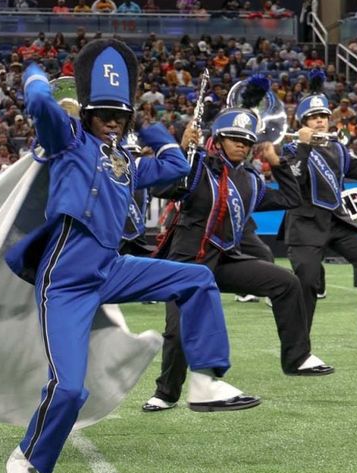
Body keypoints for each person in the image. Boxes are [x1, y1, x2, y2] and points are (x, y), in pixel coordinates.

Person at [1, 40, 258, 473]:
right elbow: (40, 100)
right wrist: (35, 70)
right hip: (64, 283)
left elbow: (176, 167)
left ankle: (204, 379)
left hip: (109, 268)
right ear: (87, 113)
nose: (113, 122)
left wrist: (155, 128)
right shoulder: (67, 142)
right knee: (68, 390)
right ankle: (28, 455)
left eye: (121, 115)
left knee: (197, 278)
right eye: (104, 113)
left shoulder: (125, 162)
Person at [142, 107, 334, 413]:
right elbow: (161, 188)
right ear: (218, 140)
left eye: (246, 141)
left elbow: (290, 199)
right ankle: (166, 393)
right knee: (179, 331)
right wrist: (180, 150)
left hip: (224, 260)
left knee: (285, 282)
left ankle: (297, 357)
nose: (241, 145)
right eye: (234, 139)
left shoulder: (249, 180)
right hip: (187, 264)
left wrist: (277, 163)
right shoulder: (198, 166)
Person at [281, 84, 357, 342]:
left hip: (337, 219)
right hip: (305, 224)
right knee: (307, 283)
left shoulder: (338, 148)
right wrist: (303, 145)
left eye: (323, 115)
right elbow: (295, 180)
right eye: (313, 117)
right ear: (303, 122)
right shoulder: (291, 149)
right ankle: (298, 344)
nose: (320, 120)